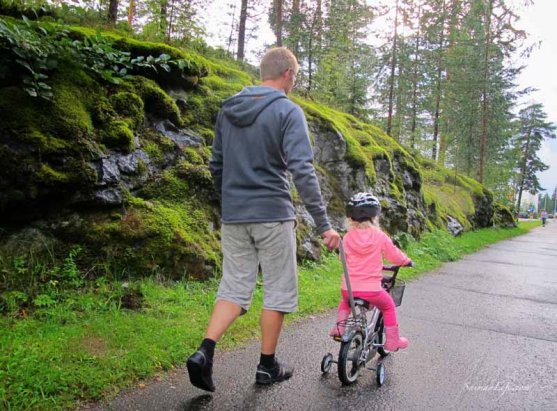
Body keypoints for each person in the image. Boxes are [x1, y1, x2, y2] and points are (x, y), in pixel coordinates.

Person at [186, 47, 341, 392]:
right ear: (287, 74)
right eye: (295, 78)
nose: (294, 84)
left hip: (235, 214)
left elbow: (216, 165)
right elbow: (302, 169)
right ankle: (267, 366)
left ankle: (204, 351)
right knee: (278, 290)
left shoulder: (229, 109)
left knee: (234, 287)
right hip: (272, 213)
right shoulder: (288, 111)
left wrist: (229, 202)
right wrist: (323, 224)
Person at [329, 192, 411, 352]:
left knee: (346, 302)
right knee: (388, 306)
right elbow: (393, 254)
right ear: (374, 217)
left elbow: (342, 259)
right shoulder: (379, 236)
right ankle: (393, 341)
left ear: (350, 219)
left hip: (349, 289)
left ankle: (338, 329)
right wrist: (406, 261)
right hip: (372, 290)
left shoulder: (347, 237)